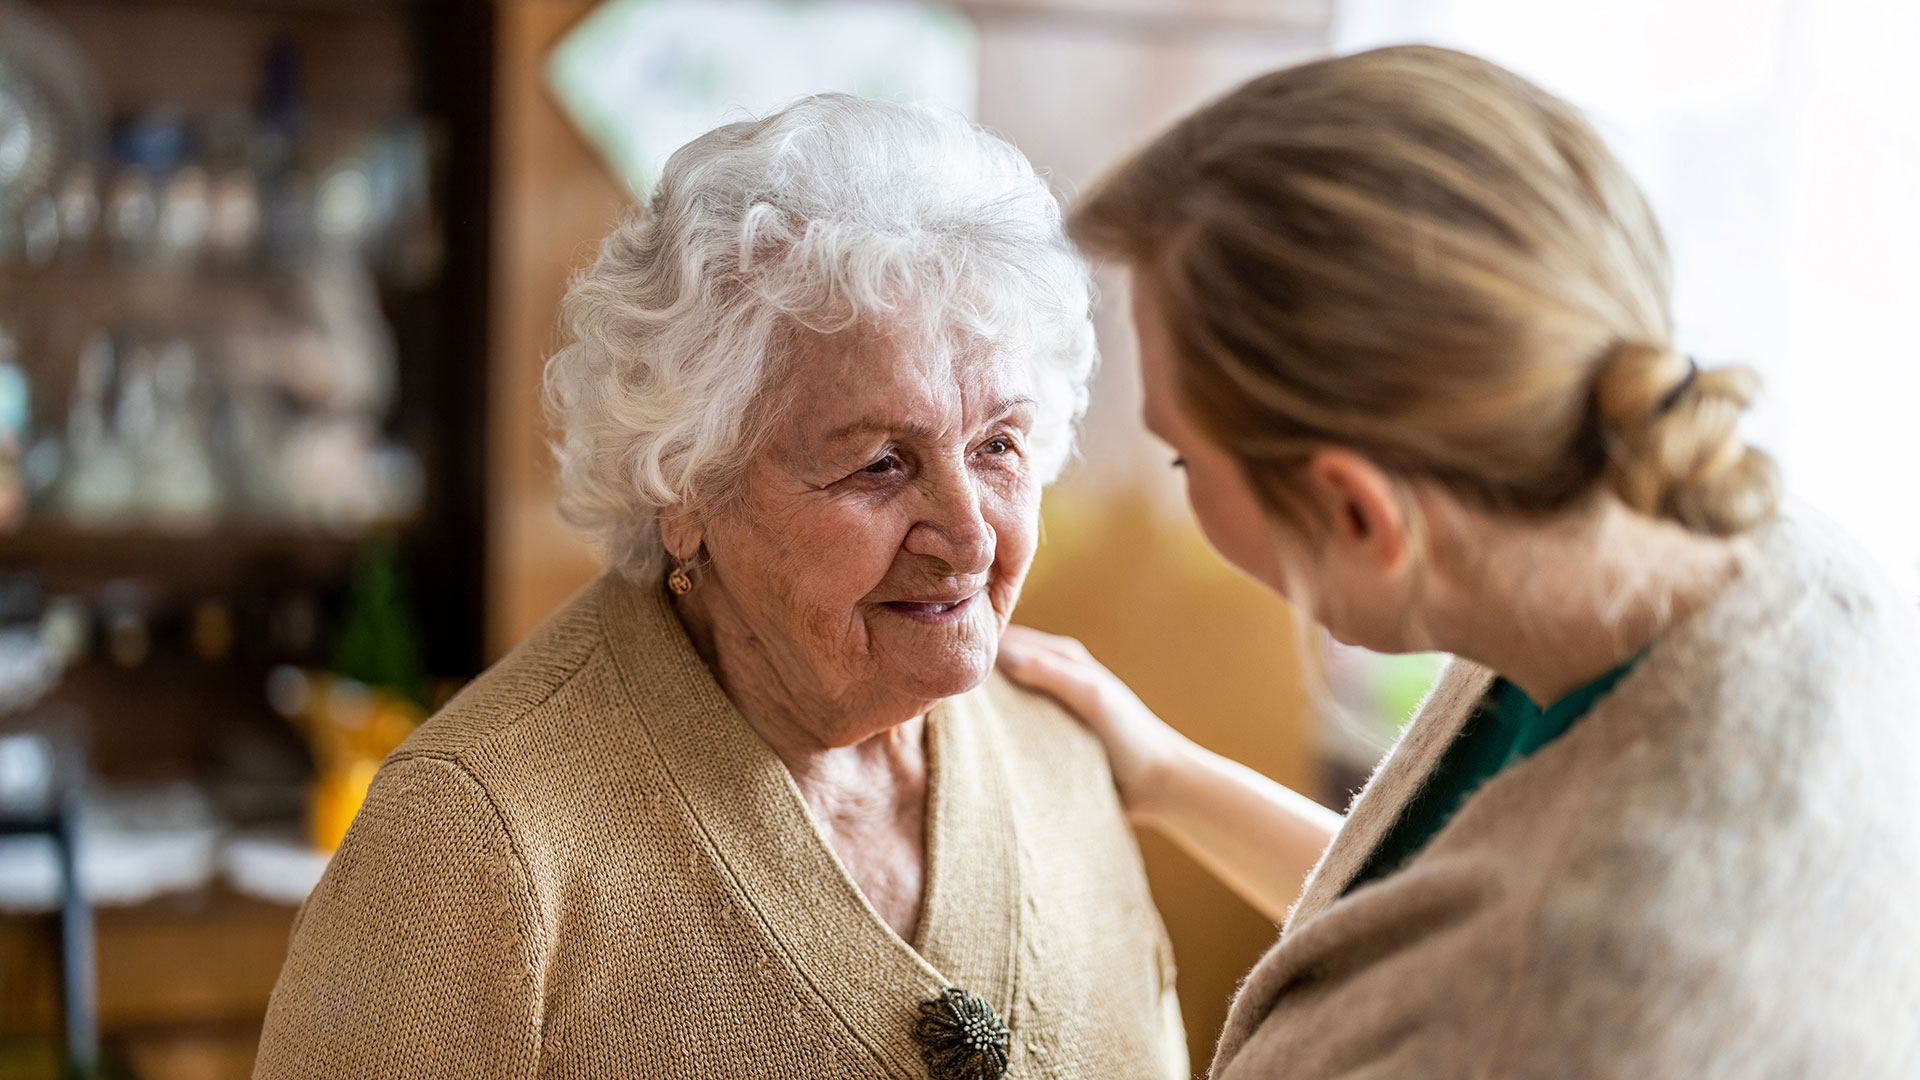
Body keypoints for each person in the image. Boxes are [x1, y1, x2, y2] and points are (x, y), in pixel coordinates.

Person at [998, 45, 1920, 1078]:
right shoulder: (1732, 554)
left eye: (1180, 455)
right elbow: (1435, 920)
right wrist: (1165, 773)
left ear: (1356, 510)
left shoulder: (1583, 1005)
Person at [253, 94, 1186, 1080]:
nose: (966, 533)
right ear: (686, 486)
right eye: (879, 464)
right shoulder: (471, 842)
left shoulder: (1063, 758)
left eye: (999, 446)